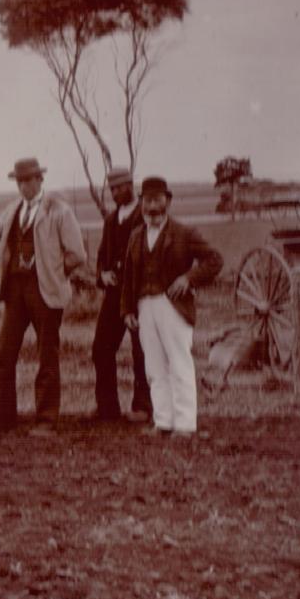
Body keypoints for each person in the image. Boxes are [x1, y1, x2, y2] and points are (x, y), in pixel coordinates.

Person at [0, 158, 87, 438]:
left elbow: (77, 253)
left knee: (46, 357)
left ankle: (46, 421)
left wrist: (53, 272)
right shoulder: (13, 209)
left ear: (40, 180)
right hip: (15, 292)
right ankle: (0, 421)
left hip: (45, 294)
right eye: (19, 181)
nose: (24, 185)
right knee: (3, 355)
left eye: (29, 179)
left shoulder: (59, 211)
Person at [120, 177, 224, 437]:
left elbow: (215, 260)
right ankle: (163, 421)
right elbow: (129, 278)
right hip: (145, 306)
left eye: (157, 200)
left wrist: (188, 279)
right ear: (141, 203)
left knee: (179, 363)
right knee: (154, 367)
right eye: (147, 200)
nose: (152, 207)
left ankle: (186, 425)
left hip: (172, 307)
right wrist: (127, 310)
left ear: (168, 201)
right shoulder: (135, 236)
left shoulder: (184, 233)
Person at [91, 168, 150, 423]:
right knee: (101, 348)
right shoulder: (110, 219)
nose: (116, 192)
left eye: (120, 187)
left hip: (140, 294)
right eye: (112, 189)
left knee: (142, 351)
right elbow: (102, 256)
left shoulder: (145, 215)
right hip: (115, 295)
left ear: (131, 185)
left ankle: (144, 407)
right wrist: (102, 275)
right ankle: (107, 407)